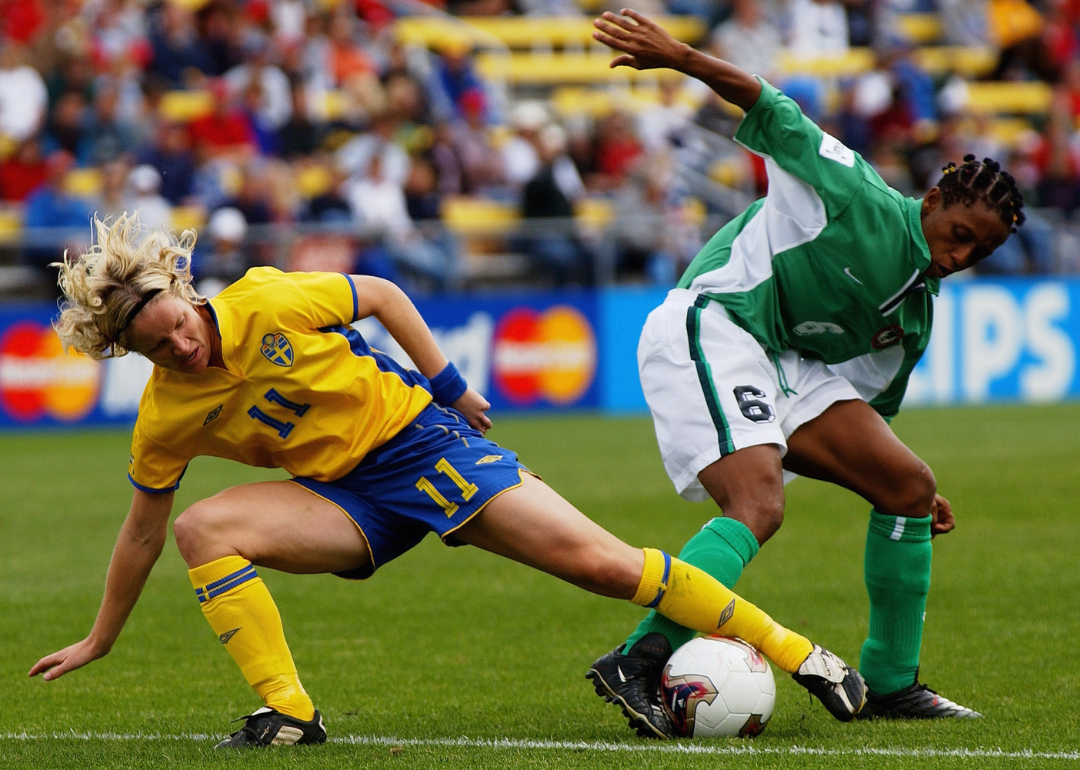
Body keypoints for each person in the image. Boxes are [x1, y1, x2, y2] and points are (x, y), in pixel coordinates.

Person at [29, 214, 867, 747]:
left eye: (175, 327)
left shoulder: (268, 301)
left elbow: (385, 295)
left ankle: (805, 658)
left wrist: (450, 382)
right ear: (131, 356)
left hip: (426, 449)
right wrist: (102, 637)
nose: (179, 349)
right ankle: (289, 713)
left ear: (183, 293)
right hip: (341, 498)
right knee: (201, 528)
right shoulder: (165, 415)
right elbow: (142, 528)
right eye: (153, 349)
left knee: (606, 567)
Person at [590, 8, 1025, 736]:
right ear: (932, 203)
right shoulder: (852, 194)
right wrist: (678, 55)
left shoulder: (914, 312)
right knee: (759, 504)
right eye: (957, 236)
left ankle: (890, 683)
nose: (957, 258)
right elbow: (770, 104)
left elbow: (861, 417)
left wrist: (887, 482)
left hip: (782, 360)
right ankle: (638, 657)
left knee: (907, 486)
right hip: (715, 319)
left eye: (975, 253)